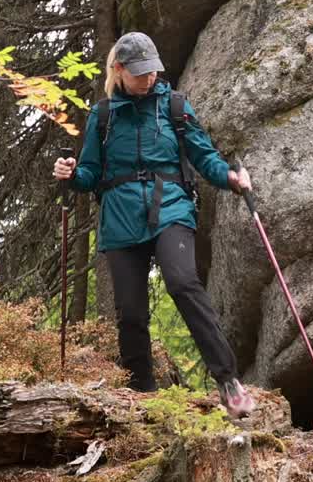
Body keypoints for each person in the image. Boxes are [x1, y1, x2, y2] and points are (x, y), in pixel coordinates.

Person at [52, 31, 256, 418]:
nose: (149, 79)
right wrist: (71, 174)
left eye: (153, 71)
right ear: (119, 70)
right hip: (119, 217)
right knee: (130, 311)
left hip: (171, 207)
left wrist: (229, 178)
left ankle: (228, 380)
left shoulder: (175, 107)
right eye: (140, 72)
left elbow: (204, 155)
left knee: (183, 282)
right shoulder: (104, 115)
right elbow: (91, 174)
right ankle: (142, 395)